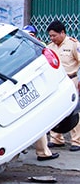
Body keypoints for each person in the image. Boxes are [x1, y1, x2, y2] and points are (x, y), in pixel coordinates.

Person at [22, 25, 59, 161]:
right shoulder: (38, 47)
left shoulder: (37, 47)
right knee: (38, 120)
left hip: (31, 89)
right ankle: (42, 152)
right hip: (33, 89)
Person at [46, 20, 80, 152]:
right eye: (50, 36)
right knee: (56, 110)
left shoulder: (73, 44)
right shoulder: (49, 47)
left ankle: (76, 141)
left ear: (62, 33)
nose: (52, 38)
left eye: (54, 35)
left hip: (71, 80)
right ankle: (56, 139)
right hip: (56, 82)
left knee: (74, 111)